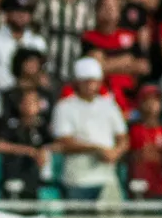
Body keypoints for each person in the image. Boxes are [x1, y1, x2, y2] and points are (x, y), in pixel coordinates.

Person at [50, 57, 128, 201]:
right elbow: (65, 142)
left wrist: (116, 152)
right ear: (77, 82)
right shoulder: (65, 107)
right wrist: (96, 149)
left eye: (95, 81)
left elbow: (123, 138)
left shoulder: (109, 105)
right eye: (87, 81)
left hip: (107, 177)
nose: (91, 86)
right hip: (77, 179)